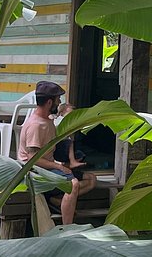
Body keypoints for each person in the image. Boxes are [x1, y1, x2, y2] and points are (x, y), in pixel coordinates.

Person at [17, 81, 96, 224]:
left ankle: (58, 201)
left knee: (91, 179)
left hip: (49, 167)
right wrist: (59, 167)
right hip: (35, 171)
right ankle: (68, 226)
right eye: (57, 100)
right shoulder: (36, 125)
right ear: (49, 102)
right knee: (73, 184)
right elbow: (32, 159)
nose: (59, 102)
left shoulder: (47, 120)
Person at [53, 103, 86, 169]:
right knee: (69, 142)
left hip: (64, 149)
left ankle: (67, 165)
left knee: (80, 154)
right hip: (57, 147)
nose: (72, 116)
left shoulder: (68, 122)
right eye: (70, 114)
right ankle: (71, 162)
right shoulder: (59, 121)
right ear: (61, 113)